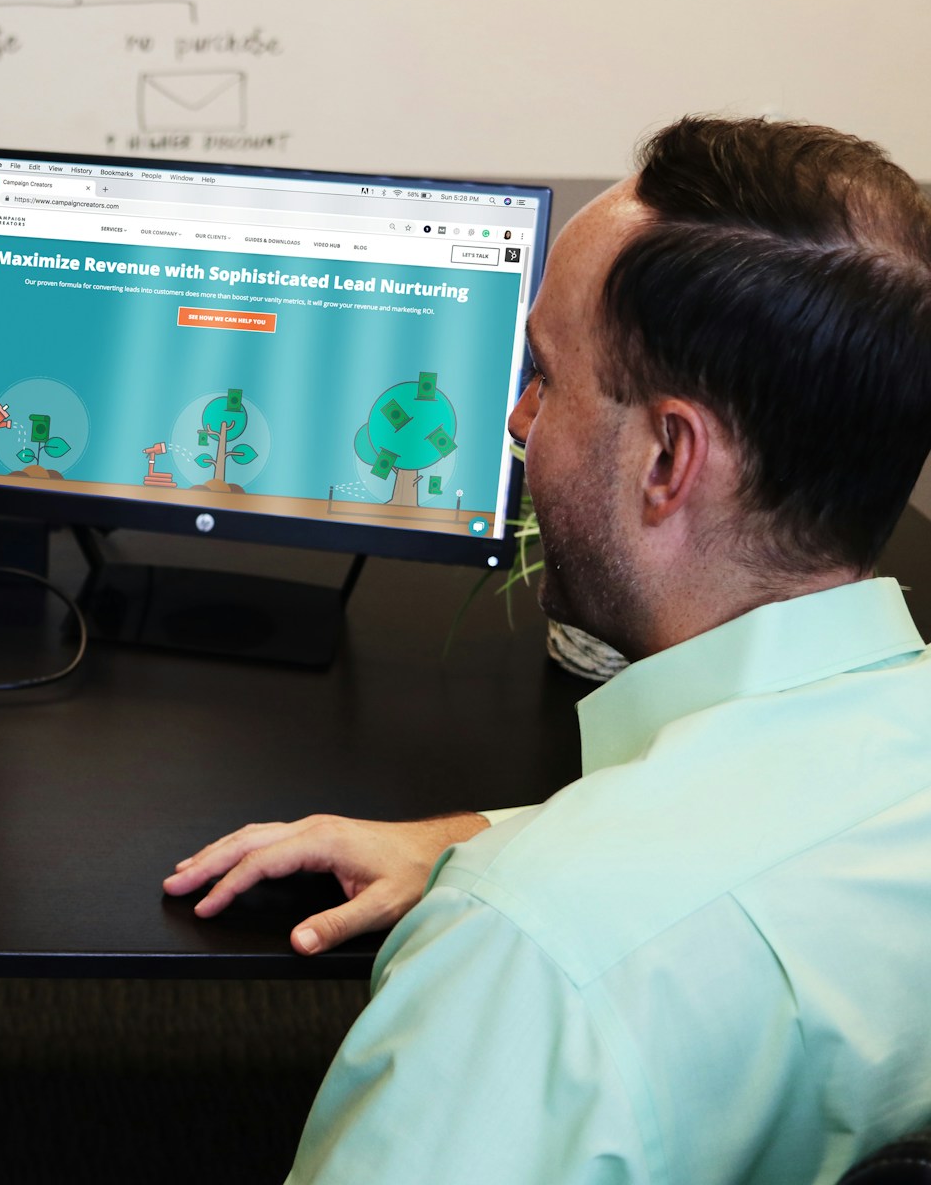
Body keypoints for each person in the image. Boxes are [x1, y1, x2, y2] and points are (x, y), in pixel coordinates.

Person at [165, 117, 931, 1182]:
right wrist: (482, 834)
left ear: (669, 456)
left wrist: (521, 880)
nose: (520, 419)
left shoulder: (527, 962)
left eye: (549, 375)